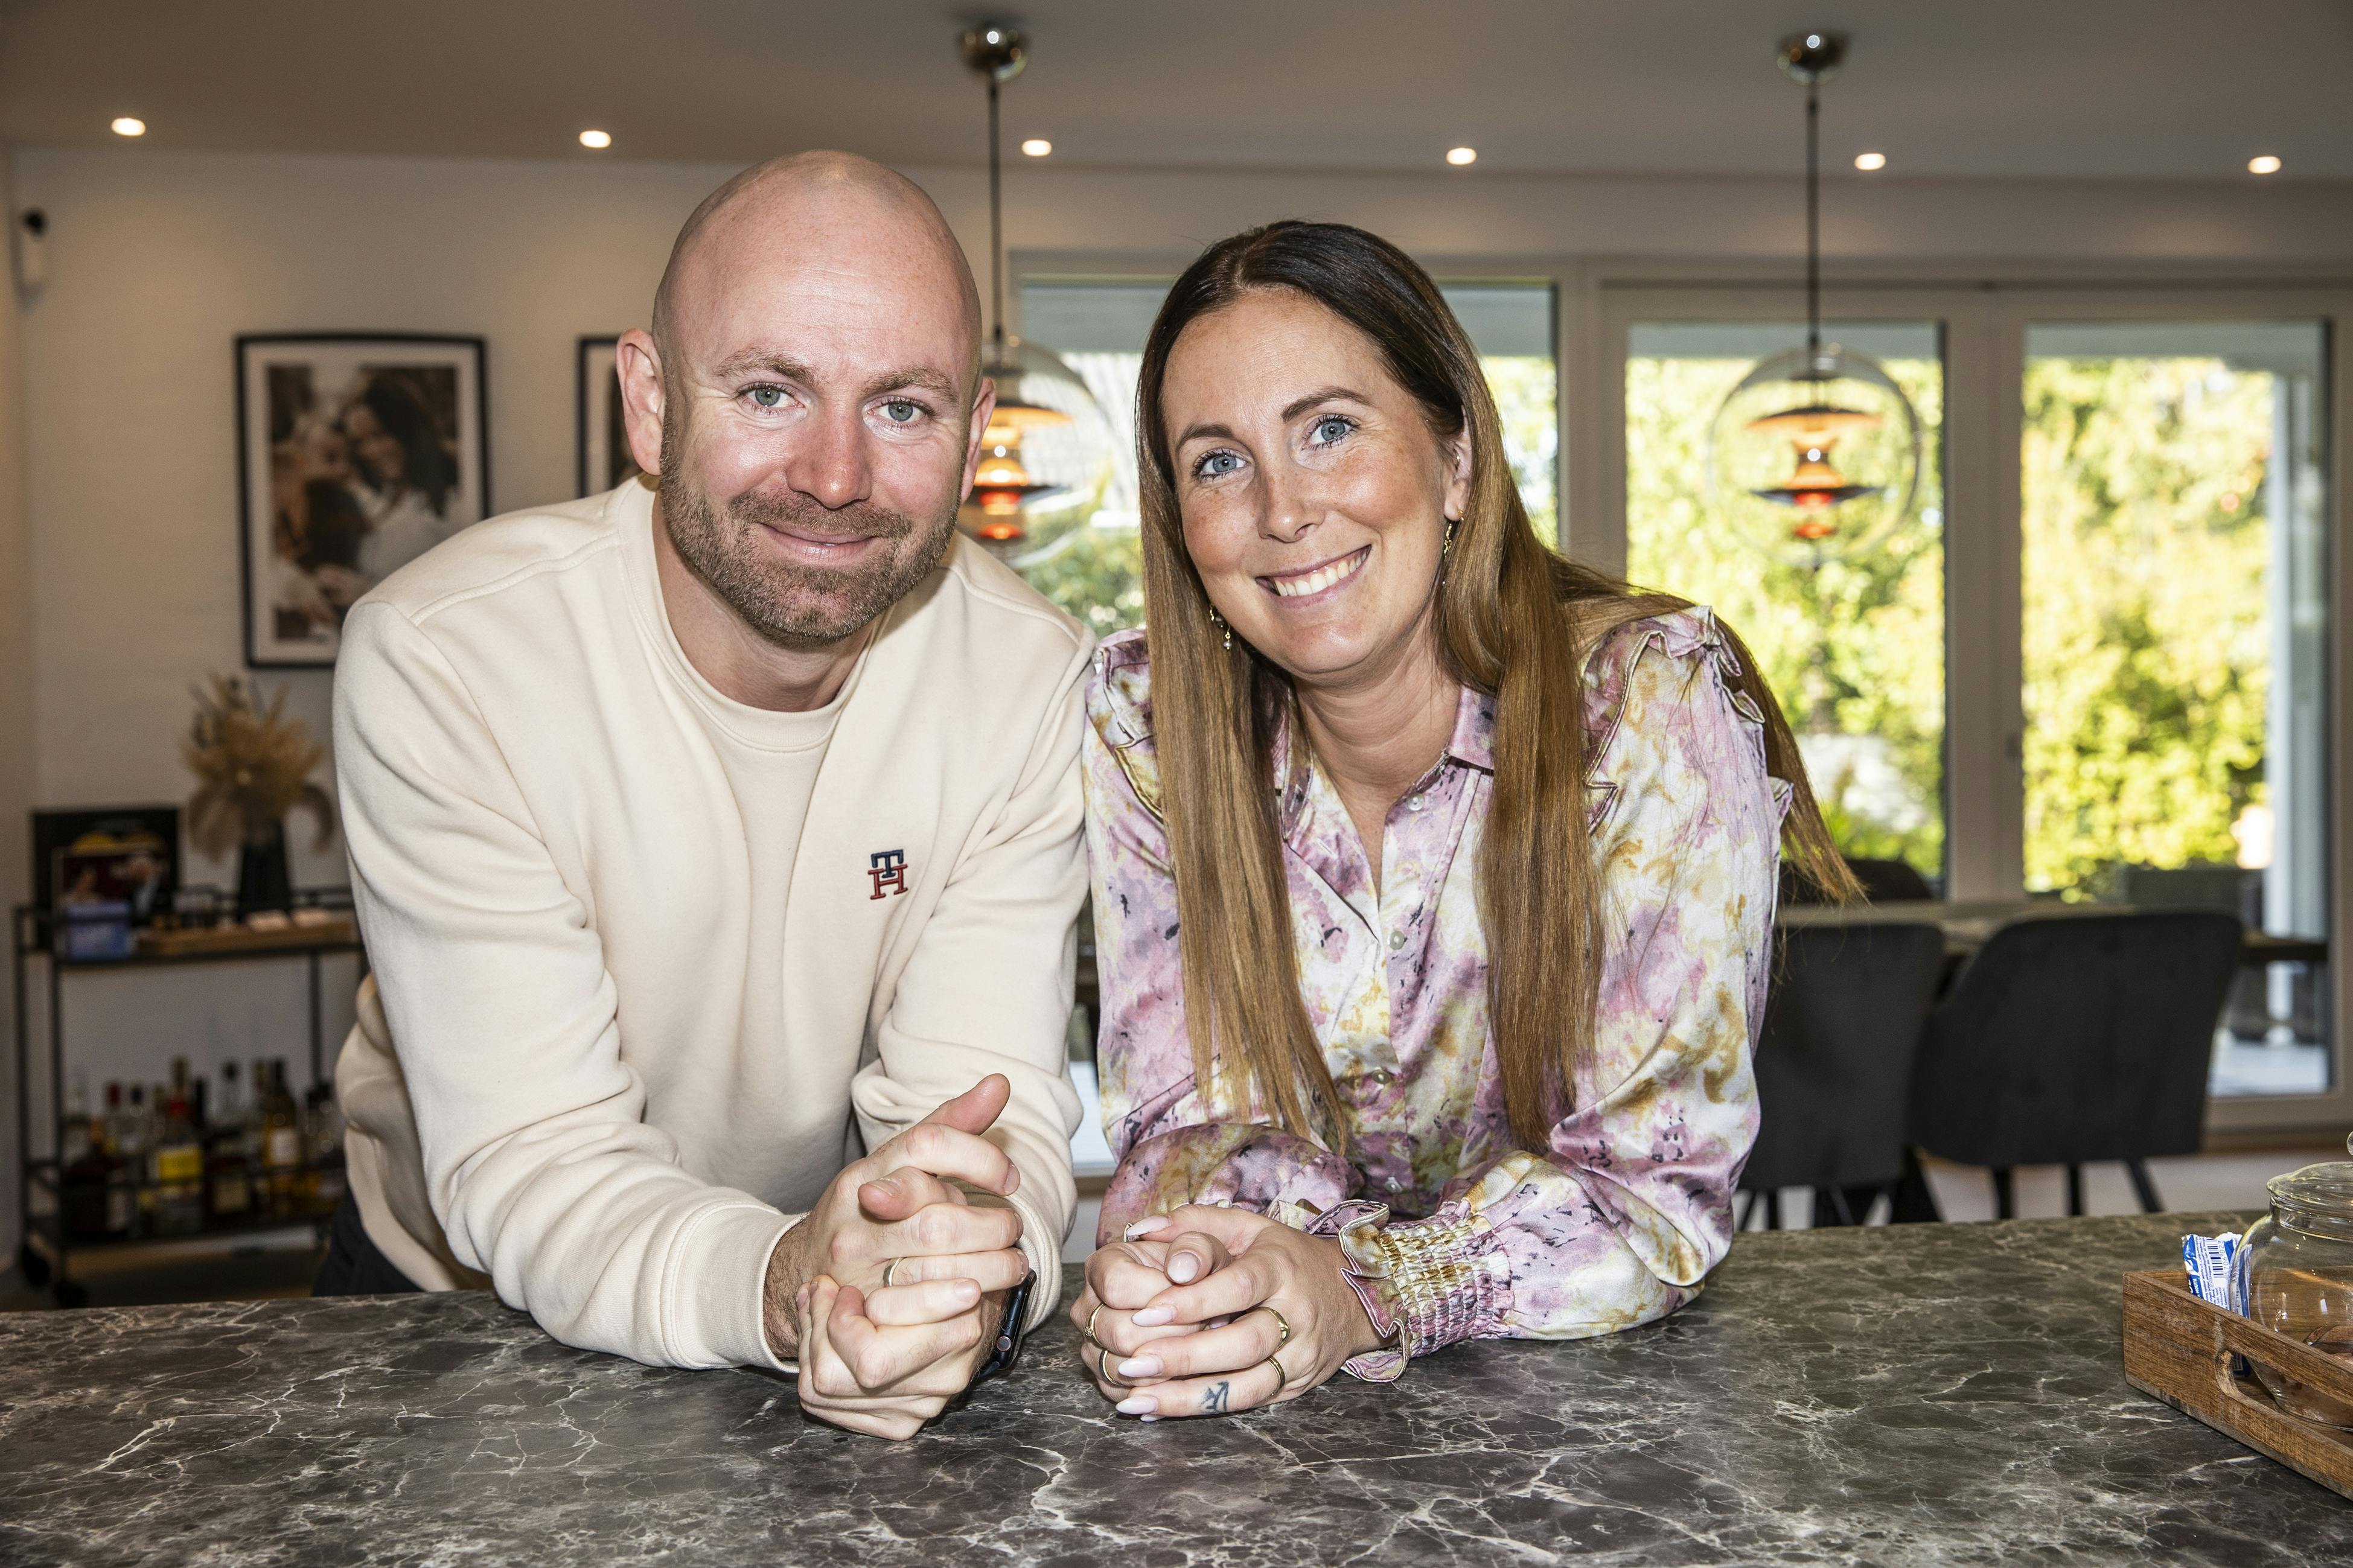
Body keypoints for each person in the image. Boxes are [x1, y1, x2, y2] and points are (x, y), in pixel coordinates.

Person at [323, 152, 1091, 1441]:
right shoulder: (448, 656)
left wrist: (952, 1274)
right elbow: (535, 1164)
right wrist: (788, 1283)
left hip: (828, 1285)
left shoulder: (1029, 678)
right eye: (772, 390)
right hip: (455, 1309)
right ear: (649, 402)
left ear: (969, 439)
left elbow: (983, 1110)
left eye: (903, 406)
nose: (836, 474)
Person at [1071, 221, 1853, 1420]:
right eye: (1217, 463)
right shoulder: (1147, 722)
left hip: (1586, 1432)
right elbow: (1185, 1128)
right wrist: (1205, 1264)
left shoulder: (1643, 702)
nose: (1281, 511)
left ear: (1457, 464)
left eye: (1328, 429)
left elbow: (1652, 1193)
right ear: (1177, 518)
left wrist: (1362, 1286)